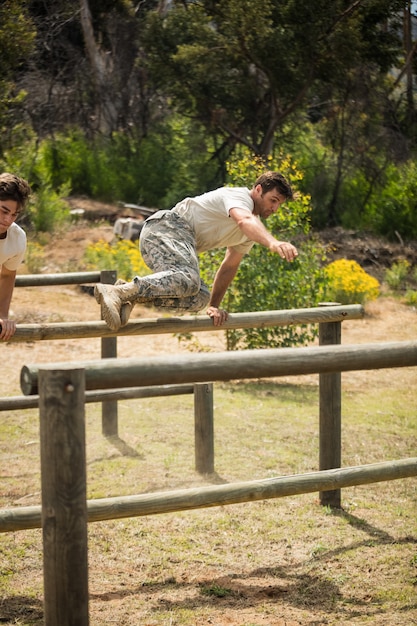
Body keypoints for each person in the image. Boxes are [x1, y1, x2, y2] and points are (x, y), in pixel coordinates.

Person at [95, 170, 299, 331]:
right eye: (273, 200)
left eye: (279, 204)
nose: (274, 208)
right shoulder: (238, 197)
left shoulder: (252, 230)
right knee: (189, 278)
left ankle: (128, 292)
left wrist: (214, 306)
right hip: (164, 228)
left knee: (199, 297)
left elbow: (230, 266)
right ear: (258, 190)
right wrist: (273, 243)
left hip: (175, 242)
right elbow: (244, 220)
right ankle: (115, 291)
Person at [0, 173, 31, 341]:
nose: (7, 220)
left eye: (14, 214)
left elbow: (7, 274)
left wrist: (3, 315)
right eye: (3, 211)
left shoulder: (17, 238)